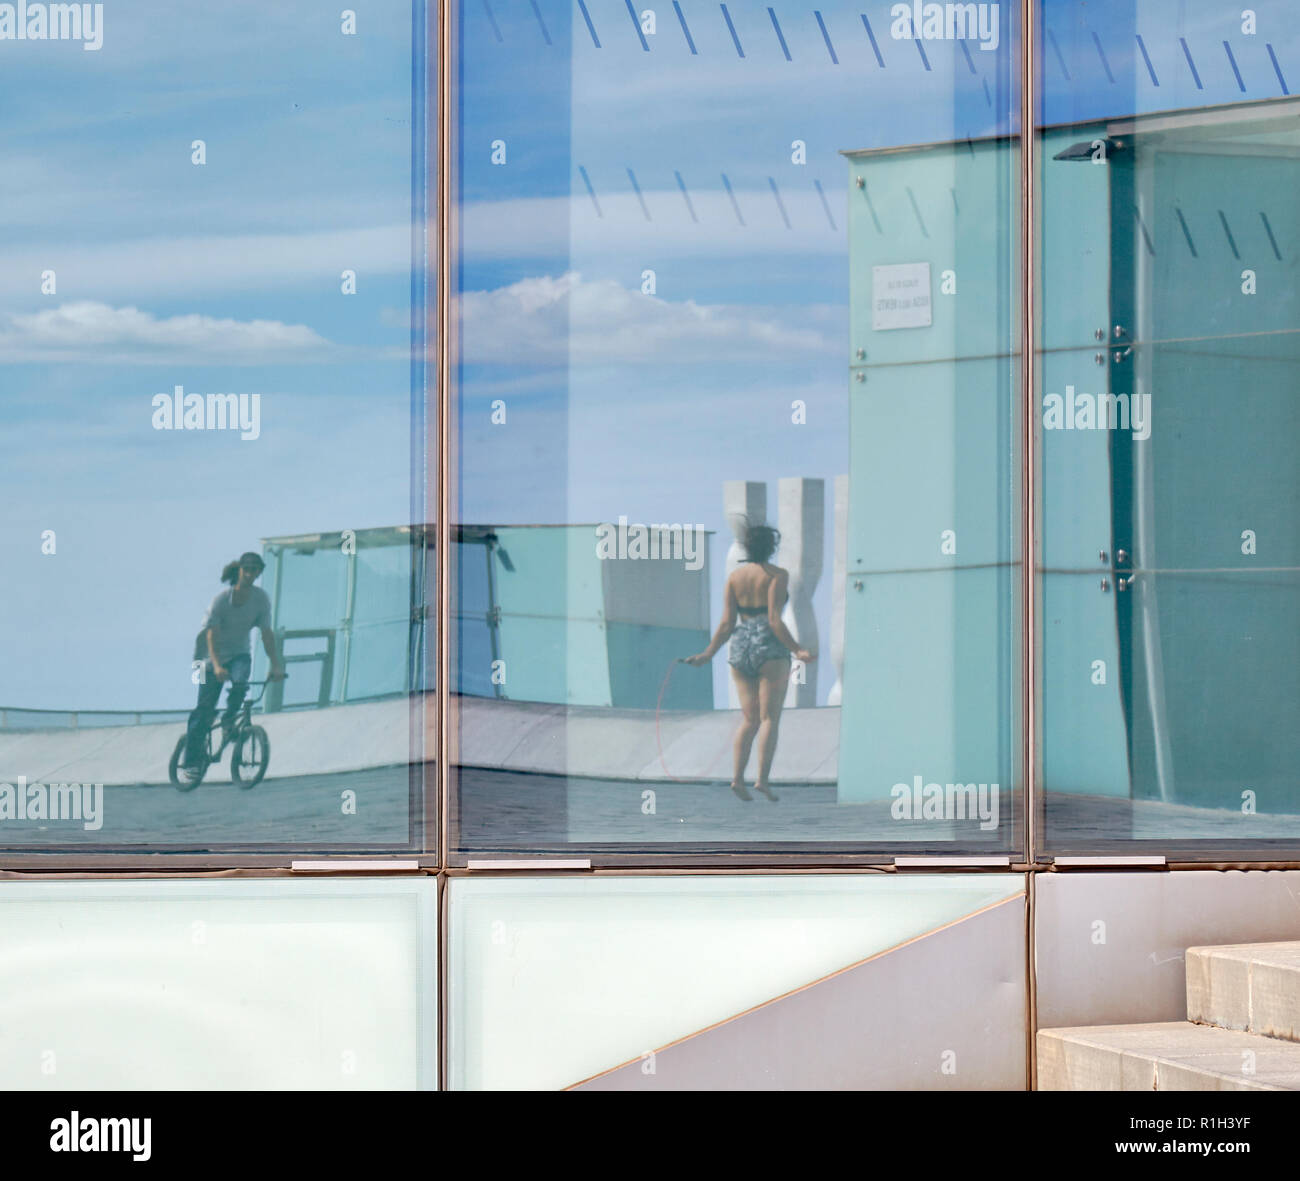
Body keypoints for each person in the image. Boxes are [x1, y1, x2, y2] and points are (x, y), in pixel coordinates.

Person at [684, 521, 815, 801]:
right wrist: (797, 650)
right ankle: (762, 781)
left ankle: (736, 779)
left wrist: (708, 653)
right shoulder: (777, 575)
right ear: (771, 547)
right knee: (769, 718)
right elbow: (774, 620)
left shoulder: (735, 578)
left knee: (749, 719)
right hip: (769, 647)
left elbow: (726, 623)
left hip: (740, 645)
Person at [183, 552, 284, 769]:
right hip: (205, 658)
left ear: (259, 572)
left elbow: (266, 633)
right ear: (239, 570)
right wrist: (217, 666)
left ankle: (229, 721)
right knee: (203, 711)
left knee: (240, 683)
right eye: (246, 569)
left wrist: (276, 664)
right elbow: (211, 635)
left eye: (255, 570)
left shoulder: (261, 599)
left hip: (239, 653)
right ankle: (191, 760)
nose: (250, 574)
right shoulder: (220, 600)